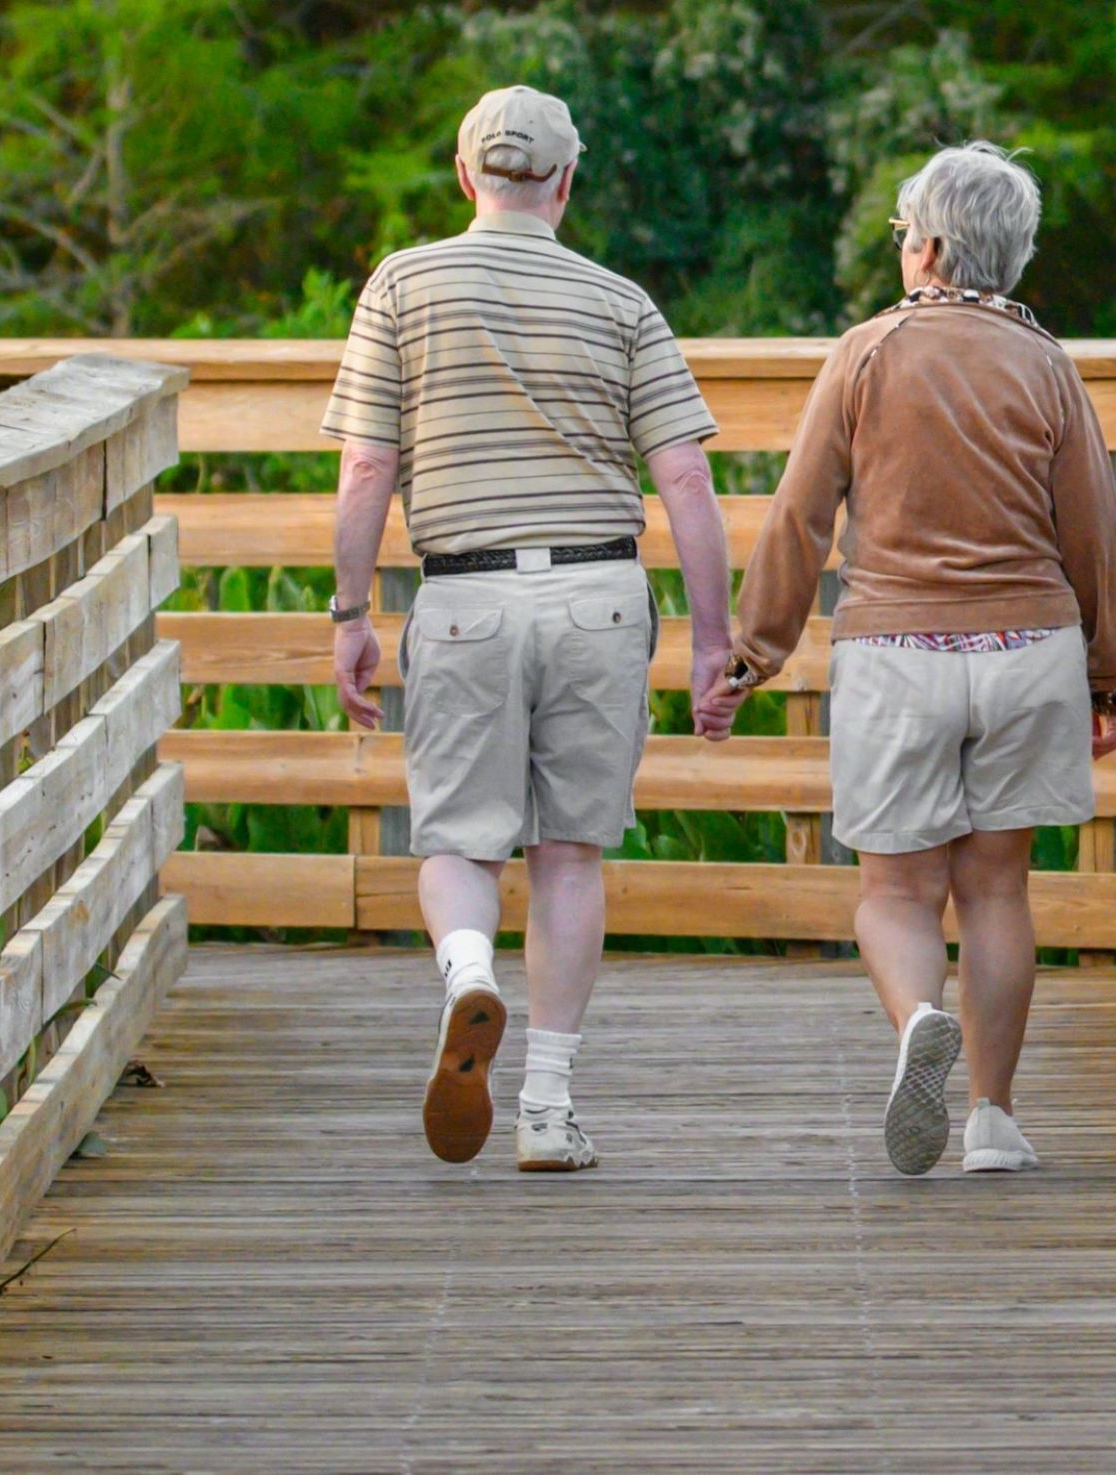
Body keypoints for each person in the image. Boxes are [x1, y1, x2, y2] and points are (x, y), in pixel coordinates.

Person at [322, 86, 737, 1169]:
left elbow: (368, 463)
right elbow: (686, 476)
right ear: (565, 181)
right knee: (567, 855)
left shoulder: (401, 285)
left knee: (460, 836)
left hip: (463, 595)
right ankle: (547, 1108)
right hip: (598, 597)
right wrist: (711, 638)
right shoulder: (621, 301)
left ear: (466, 177)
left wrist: (351, 610)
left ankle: (468, 970)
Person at [712, 142, 1116, 1176]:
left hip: (896, 648)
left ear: (932, 246)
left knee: (895, 891)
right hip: (1027, 648)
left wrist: (750, 653)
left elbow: (802, 513)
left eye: (906, 234)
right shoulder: (1046, 361)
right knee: (997, 889)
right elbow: (1092, 530)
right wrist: (1105, 670)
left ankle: (916, 1021)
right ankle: (992, 1117)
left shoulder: (864, 352)